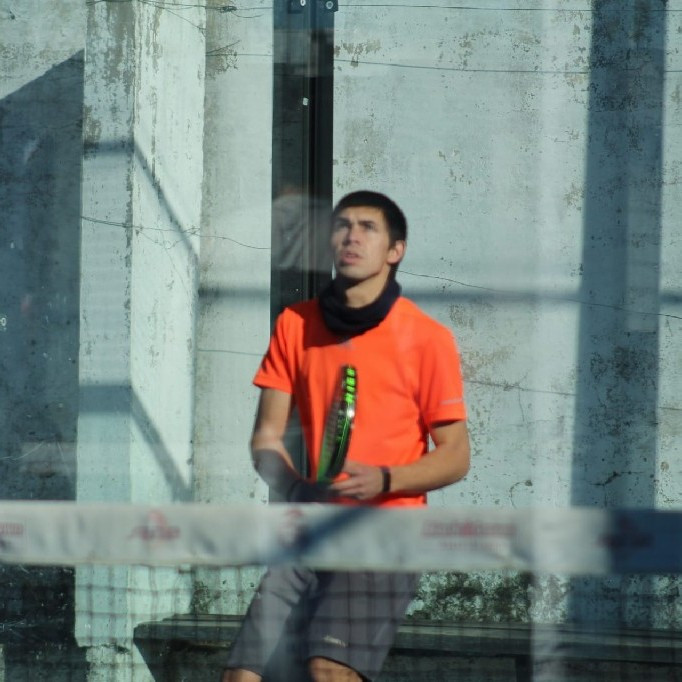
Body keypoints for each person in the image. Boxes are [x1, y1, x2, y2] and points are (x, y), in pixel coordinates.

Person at [222, 190, 470, 682]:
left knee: (328, 671)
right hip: (310, 530)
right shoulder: (294, 324)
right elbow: (266, 439)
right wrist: (296, 489)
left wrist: (385, 479)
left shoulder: (427, 338)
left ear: (395, 250)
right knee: (242, 676)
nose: (352, 236)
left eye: (368, 227)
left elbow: (456, 456)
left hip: (385, 535)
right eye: (342, 226)